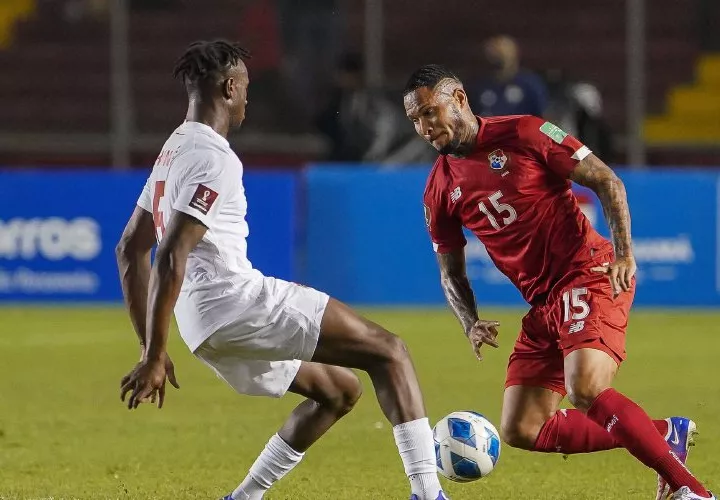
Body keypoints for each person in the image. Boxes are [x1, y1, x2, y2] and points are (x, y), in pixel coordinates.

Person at [115, 40, 449, 500]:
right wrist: (153, 353)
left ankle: (244, 497)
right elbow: (170, 251)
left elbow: (130, 248)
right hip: (236, 305)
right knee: (389, 351)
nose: (248, 98)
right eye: (246, 86)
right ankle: (430, 494)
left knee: (338, 391)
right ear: (230, 86)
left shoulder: (173, 150)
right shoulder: (214, 157)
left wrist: (150, 344)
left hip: (202, 327)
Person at [402, 64, 714, 500]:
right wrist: (469, 320)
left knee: (585, 388)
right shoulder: (439, 187)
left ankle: (692, 491)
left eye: (430, 112)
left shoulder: (527, 132)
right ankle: (663, 435)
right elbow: (450, 271)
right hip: (544, 304)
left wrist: (624, 253)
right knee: (522, 427)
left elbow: (607, 181)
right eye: (415, 119)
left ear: (459, 98)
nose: (425, 127)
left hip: (587, 272)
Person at [467, 36, 547, 118]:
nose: (497, 55)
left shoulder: (529, 83)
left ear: (514, 54)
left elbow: (542, 116)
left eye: (503, 52)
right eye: (493, 52)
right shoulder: (478, 85)